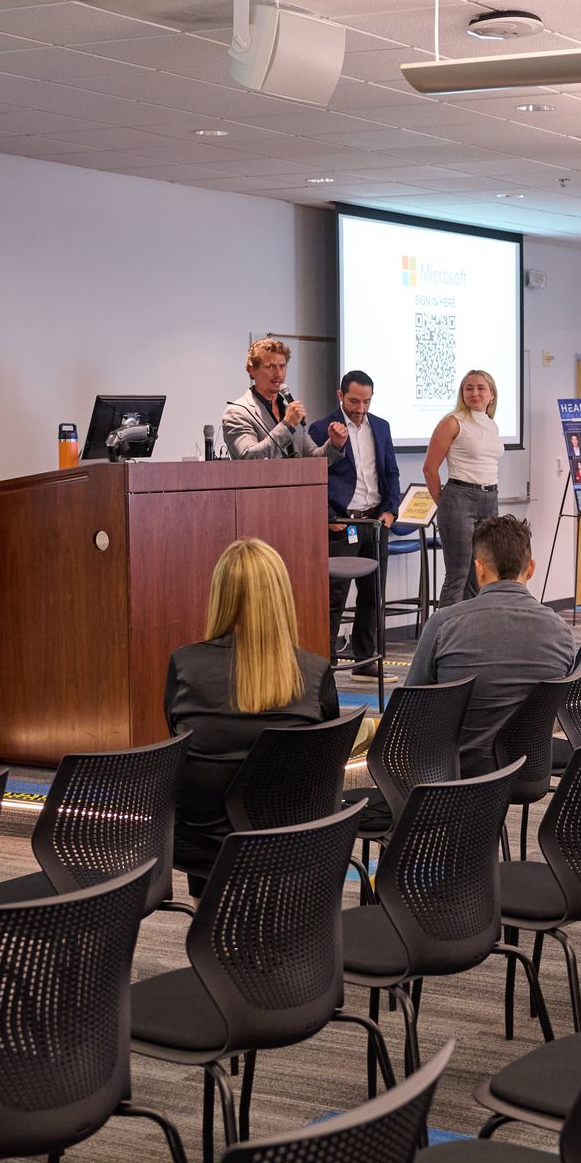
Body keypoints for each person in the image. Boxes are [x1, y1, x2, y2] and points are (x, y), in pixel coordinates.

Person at [165, 538, 338, 886]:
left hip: (201, 846)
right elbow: (327, 759)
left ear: (220, 595)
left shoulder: (184, 664)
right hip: (291, 841)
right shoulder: (315, 672)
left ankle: (210, 917)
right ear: (281, 596)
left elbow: (180, 740)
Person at [407, 515, 575, 775]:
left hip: (456, 770)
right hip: (531, 768)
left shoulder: (443, 624)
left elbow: (412, 706)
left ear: (479, 569)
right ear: (530, 568)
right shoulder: (561, 632)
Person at [307, 371, 400, 679]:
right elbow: (313, 478)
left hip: (375, 522)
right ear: (340, 395)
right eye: (354, 401)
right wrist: (325, 515)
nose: (361, 408)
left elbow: (391, 473)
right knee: (334, 597)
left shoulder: (382, 427)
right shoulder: (321, 428)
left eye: (367, 401)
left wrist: (391, 512)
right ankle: (326, 663)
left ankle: (366, 661)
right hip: (342, 523)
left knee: (373, 596)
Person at [423, 369, 501, 606]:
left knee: (481, 574)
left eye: (480, 388)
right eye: (469, 388)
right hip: (459, 498)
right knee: (457, 575)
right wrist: (445, 504)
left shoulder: (491, 425)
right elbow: (429, 469)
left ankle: (470, 630)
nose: (474, 393)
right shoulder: (453, 422)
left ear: (491, 395)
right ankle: (445, 635)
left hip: (490, 498)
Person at [221, 338, 346, 461]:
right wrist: (287, 425)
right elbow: (250, 458)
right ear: (252, 370)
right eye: (270, 367)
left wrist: (335, 444)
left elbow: (312, 457)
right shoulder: (237, 412)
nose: (279, 374)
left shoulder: (289, 410)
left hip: (297, 481)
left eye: (282, 366)